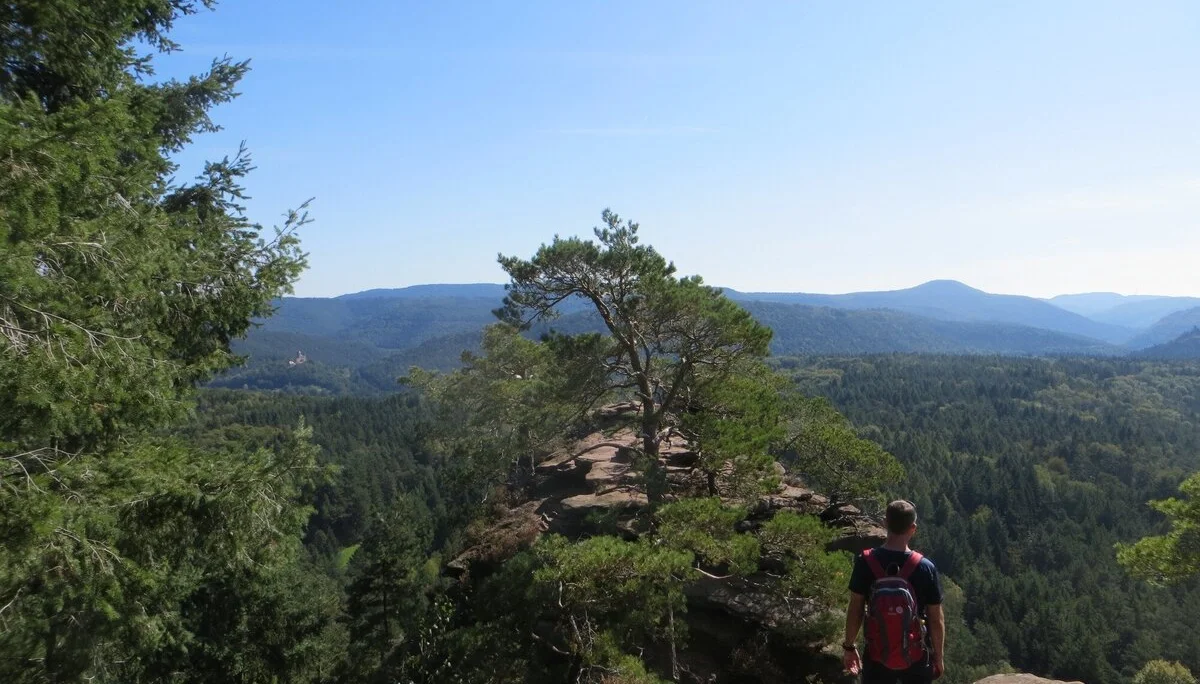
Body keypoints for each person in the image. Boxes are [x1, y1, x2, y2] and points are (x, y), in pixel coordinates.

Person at [842, 500, 945, 683]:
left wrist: (849, 646)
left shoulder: (865, 561)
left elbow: (855, 609)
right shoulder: (925, 567)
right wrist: (938, 657)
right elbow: (936, 619)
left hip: (877, 654)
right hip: (916, 655)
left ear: (885, 523)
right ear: (913, 528)